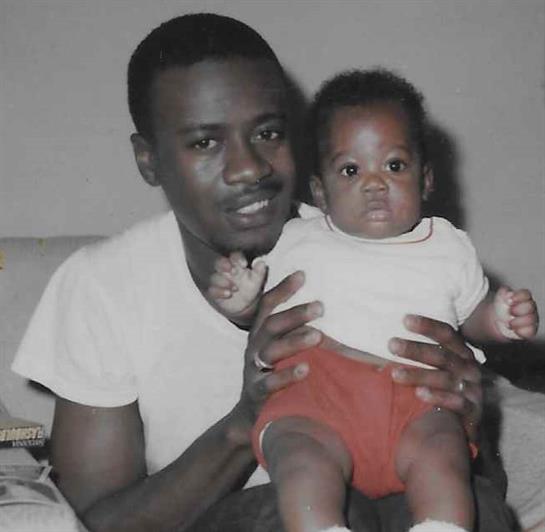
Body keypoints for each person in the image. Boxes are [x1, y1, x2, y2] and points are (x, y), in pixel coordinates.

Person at [11, 14, 517, 532]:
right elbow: (91, 524)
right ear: (149, 161)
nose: (249, 168)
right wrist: (243, 423)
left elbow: (481, 496)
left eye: (268, 133)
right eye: (205, 143)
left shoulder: (383, 245)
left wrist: (467, 419)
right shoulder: (103, 286)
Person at [208, 69, 539, 532]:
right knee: (302, 465)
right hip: (316, 397)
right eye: (351, 170)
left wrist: (501, 318)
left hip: (416, 402)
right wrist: (241, 299)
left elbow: (473, 313)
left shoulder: (446, 246)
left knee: (443, 460)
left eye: (395, 166)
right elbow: (261, 311)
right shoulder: (298, 237)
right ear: (320, 191)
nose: (375, 183)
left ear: (425, 180)